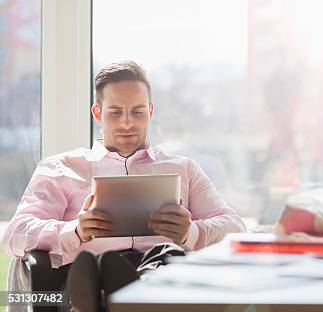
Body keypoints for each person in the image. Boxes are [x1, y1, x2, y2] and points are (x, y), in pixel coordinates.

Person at [3, 61, 246, 311]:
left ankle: (126, 292)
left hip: (163, 275)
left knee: (165, 256)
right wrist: (75, 231)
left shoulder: (183, 169)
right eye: (115, 112)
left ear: (151, 111)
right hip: (86, 281)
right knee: (105, 271)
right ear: (97, 114)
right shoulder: (60, 168)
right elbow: (15, 235)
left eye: (137, 112)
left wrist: (190, 232)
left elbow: (235, 227)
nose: (127, 123)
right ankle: (117, 290)